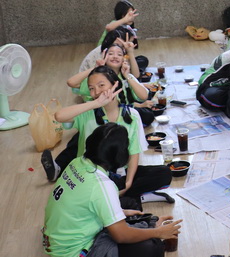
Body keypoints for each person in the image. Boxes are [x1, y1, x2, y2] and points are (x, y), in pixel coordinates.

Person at [37, 123, 181, 257]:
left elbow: (84, 202)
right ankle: (152, 232)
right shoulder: (101, 184)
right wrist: (158, 233)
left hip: (60, 245)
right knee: (153, 251)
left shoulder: (77, 162)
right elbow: (121, 236)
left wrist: (123, 213)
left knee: (132, 210)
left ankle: (148, 227)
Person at [41, 66, 173, 208]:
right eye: (91, 88)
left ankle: (117, 197)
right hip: (91, 176)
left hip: (119, 174)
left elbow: (134, 153)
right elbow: (59, 116)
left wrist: (128, 183)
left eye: (101, 85)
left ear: (115, 84)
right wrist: (96, 103)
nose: (97, 92)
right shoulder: (88, 112)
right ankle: (126, 198)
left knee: (164, 173)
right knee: (109, 195)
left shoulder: (132, 115)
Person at [68, 41, 154, 126]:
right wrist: (95, 67)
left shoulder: (125, 75)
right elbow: (71, 82)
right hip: (103, 115)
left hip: (123, 111)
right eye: (111, 54)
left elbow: (143, 96)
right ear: (104, 57)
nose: (115, 56)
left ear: (123, 59)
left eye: (119, 54)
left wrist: (127, 76)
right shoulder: (98, 77)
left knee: (148, 113)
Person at [99, 0, 147, 72]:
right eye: (128, 15)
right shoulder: (115, 24)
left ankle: (130, 70)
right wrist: (124, 20)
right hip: (107, 57)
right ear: (121, 14)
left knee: (143, 59)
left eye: (132, 14)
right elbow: (108, 27)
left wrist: (128, 57)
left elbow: (126, 51)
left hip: (121, 56)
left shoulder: (129, 28)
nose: (131, 17)